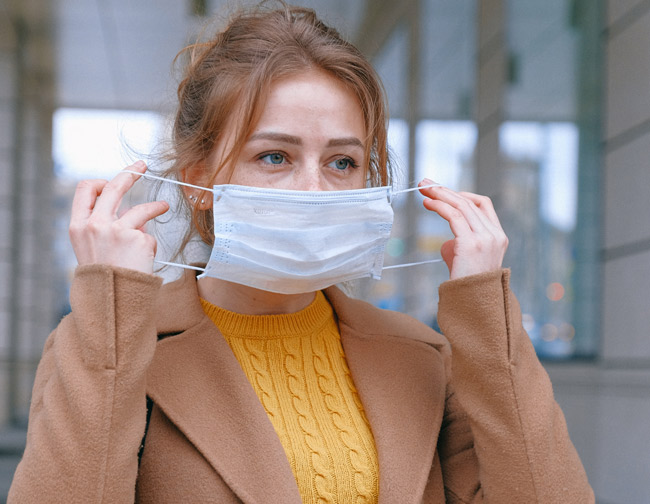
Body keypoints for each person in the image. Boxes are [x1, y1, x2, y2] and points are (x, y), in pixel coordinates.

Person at [9, 3, 594, 503]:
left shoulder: (422, 356)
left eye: (343, 163)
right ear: (198, 185)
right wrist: (110, 304)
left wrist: (486, 320)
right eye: (274, 157)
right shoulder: (111, 344)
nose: (314, 191)